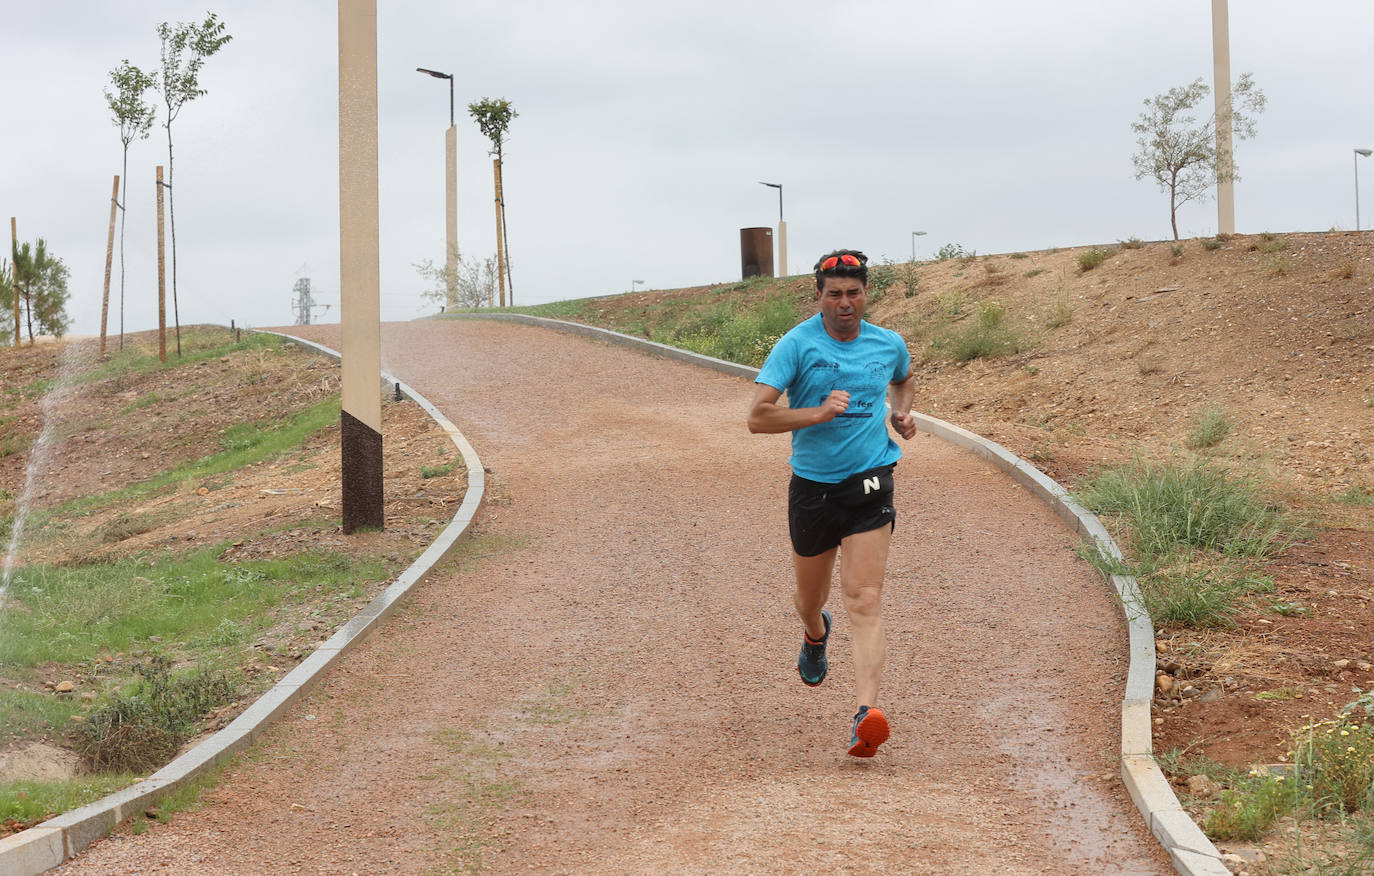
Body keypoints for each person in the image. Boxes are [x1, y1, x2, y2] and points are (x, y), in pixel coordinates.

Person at [747, 249, 917, 757]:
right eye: (834, 294)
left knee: (865, 598)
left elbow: (903, 379)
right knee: (810, 600)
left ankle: (866, 714)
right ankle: (815, 634)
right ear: (819, 296)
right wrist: (818, 413)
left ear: (866, 294)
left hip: (870, 482)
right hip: (814, 490)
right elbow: (758, 417)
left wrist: (901, 415)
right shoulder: (796, 345)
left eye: (854, 292)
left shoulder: (888, 343)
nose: (845, 303)